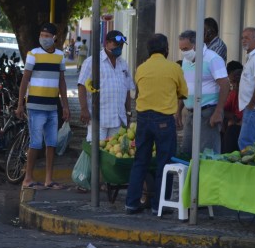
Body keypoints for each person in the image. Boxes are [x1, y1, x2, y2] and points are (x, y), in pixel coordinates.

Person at [125, 34, 188, 214]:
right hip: (164, 120)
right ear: (166, 49)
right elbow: (183, 92)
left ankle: (131, 203)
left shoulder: (141, 68)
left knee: (140, 161)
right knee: (164, 163)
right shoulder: (174, 68)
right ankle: (159, 206)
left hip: (143, 118)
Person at [16, 22, 70, 190]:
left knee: (51, 143)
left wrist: (65, 106)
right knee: (36, 143)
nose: (44, 38)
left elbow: (62, 81)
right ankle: (28, 178)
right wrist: (20, 105)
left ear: (55, 38)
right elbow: (25, 80)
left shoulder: (60, 56)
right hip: (35, 105)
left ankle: (48, 179)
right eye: (42, 35)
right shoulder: (33, 54)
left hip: (52, 106)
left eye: (47, 36)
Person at [176, 29, 229, 156]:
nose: (184, 52)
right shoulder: (186, 61)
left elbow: (225, 85)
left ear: (196, 45)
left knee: (207, 154)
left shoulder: (213, 59)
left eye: (186, 48)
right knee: (187, 152)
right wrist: (178, 111)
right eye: (181, 49)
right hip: (190, 113)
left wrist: (218, 112)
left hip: (208, 113)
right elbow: (184, 87)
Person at [77, 30, 135, 144]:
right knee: (95, 154)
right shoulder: (92, 61)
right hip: (99, 119)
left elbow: (127, 89)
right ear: (106, 43)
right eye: (116, 44)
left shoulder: (123, 63)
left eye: (121, 45)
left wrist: (128, 112)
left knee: (114, 152)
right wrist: (84, 109)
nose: (119, 47)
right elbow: (82, 85)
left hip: (118, 119)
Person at [222, 61, 244, 153]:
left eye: (237, 81)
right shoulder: (233, 93)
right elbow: (223, 109)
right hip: (233, 126)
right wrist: (232, 117)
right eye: (232, 82)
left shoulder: (247, 93)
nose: (235, 85)